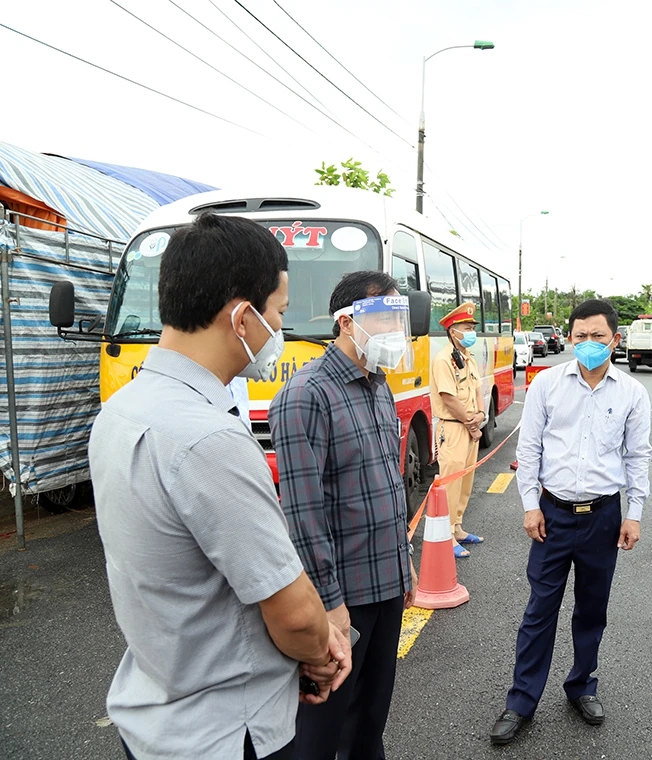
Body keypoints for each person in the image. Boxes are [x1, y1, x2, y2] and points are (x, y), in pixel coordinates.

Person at [89, 213, 350, 760]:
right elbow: (297, 616)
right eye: (278, 311)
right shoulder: (210, 438)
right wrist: (323, 652)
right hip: (229, 730)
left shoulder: (121, 410)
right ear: (241, 318)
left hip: (154, 717)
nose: (279, 327)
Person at [270, 271, 419, 760]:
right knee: (323, 728)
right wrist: (329, 606)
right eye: (385, 318)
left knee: (371, 718)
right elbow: (303, 513)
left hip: (386, 582)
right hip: (343, 597)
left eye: (401, 318)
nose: (397, 330)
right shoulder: (304, 395)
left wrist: (407, 562)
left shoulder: (378, 386)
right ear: (345, 321)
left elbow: (385, 486)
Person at [490, 299, 652, 745]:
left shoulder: (632, 394)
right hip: (553, 516)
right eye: (580, 336)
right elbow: (529, 450)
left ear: (615, 340)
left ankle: (582, 686)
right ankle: (521, 700)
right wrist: (529, 505)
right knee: (539, 610)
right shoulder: (546, 386)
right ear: (570, 337)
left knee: (591, 610)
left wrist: (633, 515)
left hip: (603, 517)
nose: (588, 344)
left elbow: (638, 458)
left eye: (598, 336)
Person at [429, 301, 487, 558]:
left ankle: (458, 527)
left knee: (465, 480)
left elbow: (477, 389)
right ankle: (447, 535)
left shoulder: (467, 358)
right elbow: (449, 398)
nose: (471, 331)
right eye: (466, 327)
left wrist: (482, 415)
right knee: (451, 483)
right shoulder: (443, 360)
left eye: (472, 327)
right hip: (453, 429)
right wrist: (471, 424)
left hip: (469, 426)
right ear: (453, 331)